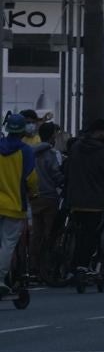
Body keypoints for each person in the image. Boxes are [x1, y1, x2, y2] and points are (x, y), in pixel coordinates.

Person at [62, 120, 104, 289]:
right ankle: (82, 266)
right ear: (101, 133)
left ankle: (73, 267)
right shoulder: (103, 151)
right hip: (96, 202)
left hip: (75, 201)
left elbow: (66, 170)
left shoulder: (75, 148)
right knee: (92, 235)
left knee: (79, 234)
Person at [0, 113, 38, 298]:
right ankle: (0, 279)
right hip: (15, 205)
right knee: (8, 244)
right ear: (23, 130)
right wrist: (34, 193)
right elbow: (31, 179)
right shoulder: (26, 151)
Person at [30, 121, 65, 277]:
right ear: (52, 136)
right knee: (50, 233)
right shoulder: (50, 155)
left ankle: (33, 267)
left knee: (36, 234)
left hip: (34, 197)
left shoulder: (30, 152)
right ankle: (48, 267)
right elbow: (56, 176)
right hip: (50, 198)